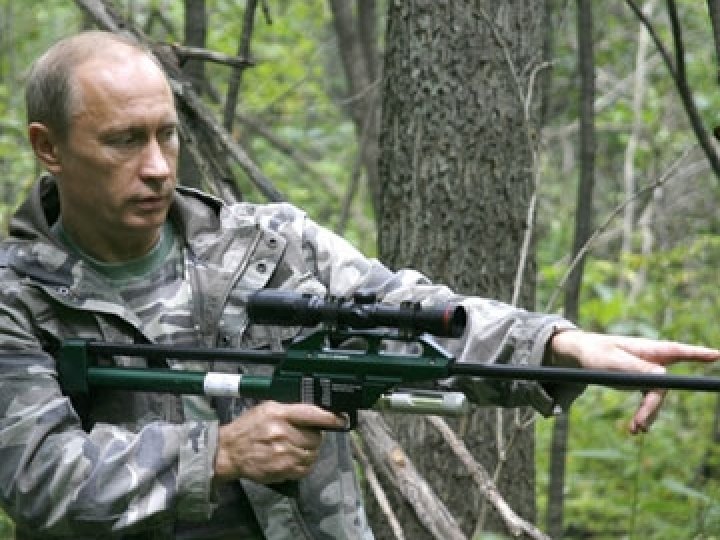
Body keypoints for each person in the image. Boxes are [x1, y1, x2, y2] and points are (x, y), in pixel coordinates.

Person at [0, 30, 717, 540]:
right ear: (48, 147)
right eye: (125, 140)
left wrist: (559, 344)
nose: (158, 166)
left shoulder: (267, 246)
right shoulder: (17, 299)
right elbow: (37, 477)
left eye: (167, 134)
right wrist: (219, 454)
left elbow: (408, 312)